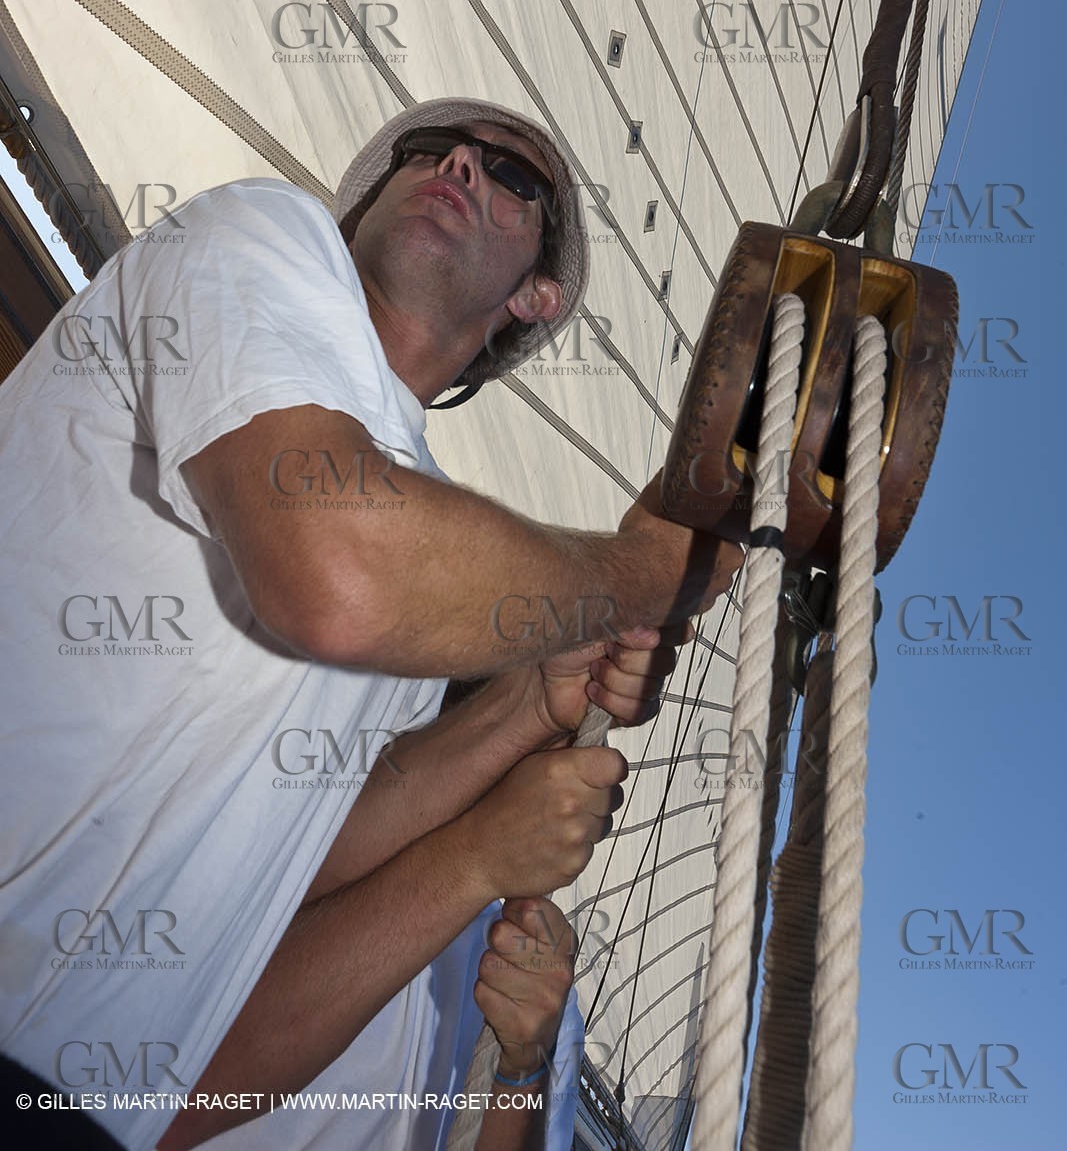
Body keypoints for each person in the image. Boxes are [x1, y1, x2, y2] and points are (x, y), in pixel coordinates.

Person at [0, 99, 742, 1150]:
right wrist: (648, 576)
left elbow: (297, 863)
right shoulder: (257, 236)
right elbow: (336, 570)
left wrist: (530, 706)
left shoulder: (428, 580)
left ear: (534, 298)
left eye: (512, 177)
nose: (459, 164)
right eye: (430, 150)